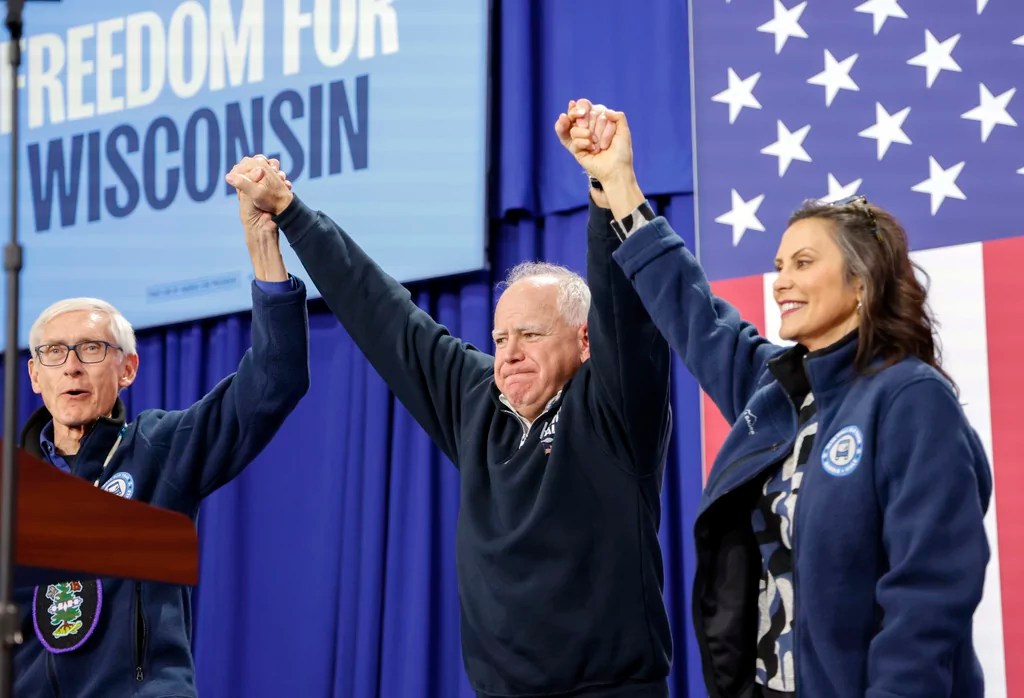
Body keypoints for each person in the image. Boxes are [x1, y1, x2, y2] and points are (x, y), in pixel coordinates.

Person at [562, 103, 992, 697]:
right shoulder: (777, 390)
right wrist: (618, 183)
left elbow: (927, 599)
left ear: (862, 281)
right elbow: (693, 311)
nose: (782, 280)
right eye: (779, 265)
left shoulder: (910, 398)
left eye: (804, 263)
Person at [224, 136, 674, 697]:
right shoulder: (477, 400)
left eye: (531, 335)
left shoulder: (615, 407)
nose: (509, 354)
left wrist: (606, 191)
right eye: (500, 338)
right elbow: (379, 309)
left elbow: (624, 315)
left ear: (585, 342)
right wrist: (292, 213)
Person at [15, 160, 310, 697]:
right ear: (36, 376)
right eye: (54, 353)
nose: (72, 367)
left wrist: (262, 241)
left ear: (127, 368)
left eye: (91, 349)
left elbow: (274, 382)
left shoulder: (157, 450)